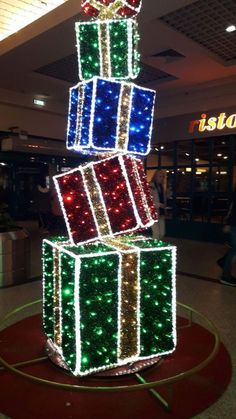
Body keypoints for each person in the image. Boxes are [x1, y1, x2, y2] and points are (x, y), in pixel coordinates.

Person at [217, 189, 236, 287]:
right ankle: (225, 276)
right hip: (234, 224)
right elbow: (233, 208)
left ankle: (223, 261)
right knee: (234, 249)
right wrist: (228, 223)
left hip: (233, 224)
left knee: (234, 249)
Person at [150, 170, 167, 240]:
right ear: (155, 177)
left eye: (163, 177)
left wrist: (167, 195)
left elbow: (162, 198)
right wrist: (159, 204)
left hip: (161, 212)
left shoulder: (161, 187)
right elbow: (148, 200)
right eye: (160, 176)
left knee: (162, 233)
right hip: (152, 213)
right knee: (156, 233)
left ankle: (157, 246)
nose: (162, 178)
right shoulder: (151, 186)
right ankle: (154, 249)